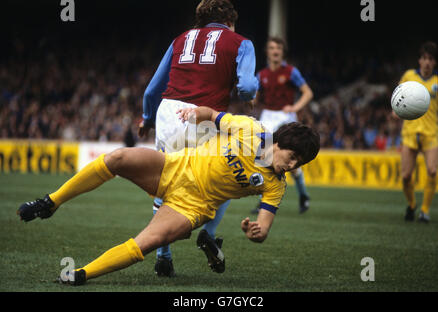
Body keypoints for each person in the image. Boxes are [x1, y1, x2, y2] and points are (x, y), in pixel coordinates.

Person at [17, 106, 320, 286]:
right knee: (117, 158)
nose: (293, 166)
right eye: (293, 157)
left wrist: (255, 231)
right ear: (280, 142)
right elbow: (212, 114)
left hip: (192, 207)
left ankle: (80, 275)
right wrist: (194, 113)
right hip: (173, 167)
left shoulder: (276, 184)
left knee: (145, 243)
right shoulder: (249, 129)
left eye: (299, 164)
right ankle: (51, 202)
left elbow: (263, 229)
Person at [137, 0, 258, 276]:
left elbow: (152, 89)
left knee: (165, 184)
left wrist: (146, 118)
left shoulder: (180, 39)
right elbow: (248, 86)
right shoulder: (242, 43)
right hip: (205, 115)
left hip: (168, 112)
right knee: (230, 174)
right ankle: (209, 234)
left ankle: (163, 256)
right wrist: (247, 95)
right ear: (229, 21)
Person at [252, 36, 314, 214]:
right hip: (268, 115)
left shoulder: (290, 72)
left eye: (278, 48)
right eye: (272, 48)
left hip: (285, 116)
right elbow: (254, 99)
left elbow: (307, 93)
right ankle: (263, 199)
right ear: (267, 52)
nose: (275, 51)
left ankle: (303, 194)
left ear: (282, 52)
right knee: (263, 158)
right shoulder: (261, 75)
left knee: (290, 161)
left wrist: (295, 107)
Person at [398, 41, 438, 223]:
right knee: (406, 176)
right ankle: (412, 204)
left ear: (434, 62)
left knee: (432, 170)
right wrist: (395, 110)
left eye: (430, 59)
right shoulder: (409, 76)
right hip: (410, 131)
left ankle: (424, 210)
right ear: (419, 60)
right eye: (424, 58)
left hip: (431, 133)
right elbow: (397, 97)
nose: (427, 62)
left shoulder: (437, 82)